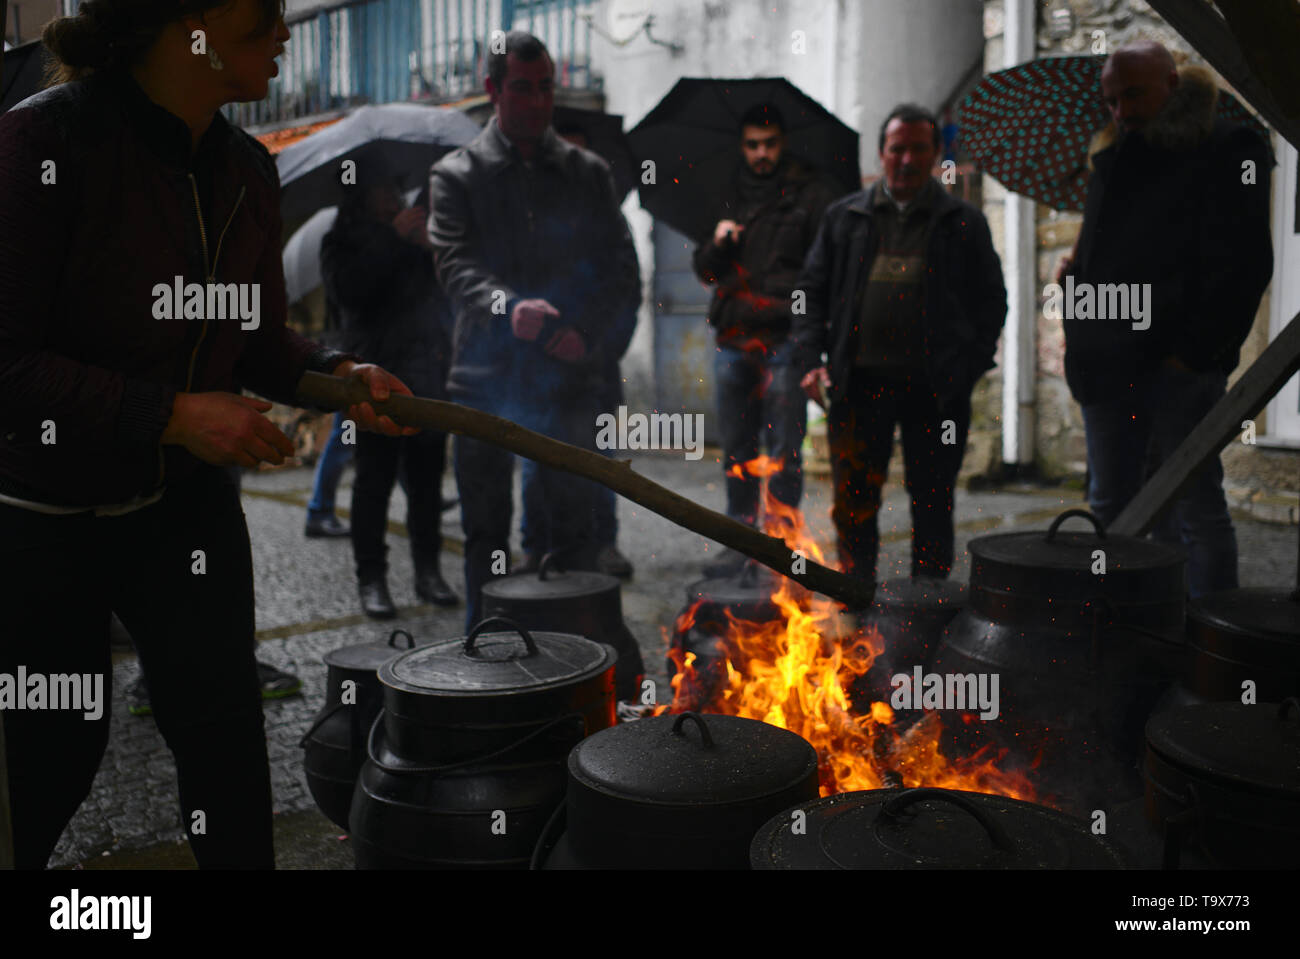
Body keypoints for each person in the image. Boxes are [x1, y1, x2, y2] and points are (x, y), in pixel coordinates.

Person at [0, 0, 415, 869]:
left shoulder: (242, 168)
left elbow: (256, 338)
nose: (285, 30)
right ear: (183, 25)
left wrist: (340, 376)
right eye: (260, 14)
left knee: (224, 741)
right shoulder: (42, 145)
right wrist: (174, 413)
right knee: (53, 751)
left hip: (180, 507)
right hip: (39, 512)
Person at [428, 30, 644, 695]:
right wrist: (506, 306)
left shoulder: (587, 173)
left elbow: (620, 275)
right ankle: (482, 667)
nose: (538, 100)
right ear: (493, 90)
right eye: (523, 86)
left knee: (568, 530)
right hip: (484, 380)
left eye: (547, 86)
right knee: (487, 534)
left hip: (569, 381)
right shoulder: (456, 175)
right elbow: (453, 263)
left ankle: (576, 673)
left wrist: (590, 338)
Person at [1057, 42, 1272, 598]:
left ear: (1173, 84)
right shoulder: (1112, 158)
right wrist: (1077, 280)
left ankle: (1208, 648)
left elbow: (1244, 264)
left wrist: (1193, 354)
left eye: (1133, 93)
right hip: (1105, 365)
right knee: (1112, 506)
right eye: (1110, 100)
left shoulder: (1229, 148)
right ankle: (1123, 635)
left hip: (1177, 363)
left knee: (1193, 503)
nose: (1121, 111)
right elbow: (1106, 256)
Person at [794, 104, 1006, 585]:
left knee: (933, 499)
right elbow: (809, 292)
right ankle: (855, 594)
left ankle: (929, 605)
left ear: (935, 154)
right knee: (854, 500)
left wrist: (968, 366)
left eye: (918, 149)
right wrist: (810, 360)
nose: (907, 159)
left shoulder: (963, 222)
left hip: (935, 391)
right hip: (858, 384)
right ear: (882, 153)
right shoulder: (844, 217)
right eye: (897, 149)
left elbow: (991, 301)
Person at [691, 103, 842, 577]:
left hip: (785, 341)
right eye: (753, 144)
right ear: (742, 146)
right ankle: (739, 540)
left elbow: (825, 272)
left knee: (783, 449)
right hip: (734, 340)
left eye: (770, 143)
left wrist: (814, 338)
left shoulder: (812, 196)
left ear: (783, 143)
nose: (761, 153)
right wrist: (717, 242)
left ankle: (781, 541)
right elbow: (704, 270)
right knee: (737, 448)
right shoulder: (725, 194)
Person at [322, 164, 459, 617]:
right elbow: (351, 296)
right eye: (381, 187)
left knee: (425, 483)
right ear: (360, 195)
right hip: (372, 377)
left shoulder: (418, 237)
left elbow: (449, 299)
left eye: (394, 185)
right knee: (373, 482)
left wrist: (430, 249)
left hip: (427, 375)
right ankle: (372, 578)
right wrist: (392, 241)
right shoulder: (340, 242)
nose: (392, 196)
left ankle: (428, 570)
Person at [516, 122, 639, 579]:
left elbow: (629, 295)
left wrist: (593, 346)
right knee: (535, 455)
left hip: (596, 369)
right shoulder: (533, 218)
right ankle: (535, 546)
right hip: (539, 370)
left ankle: (601, 544)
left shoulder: (612, 221)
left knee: (600, 458)